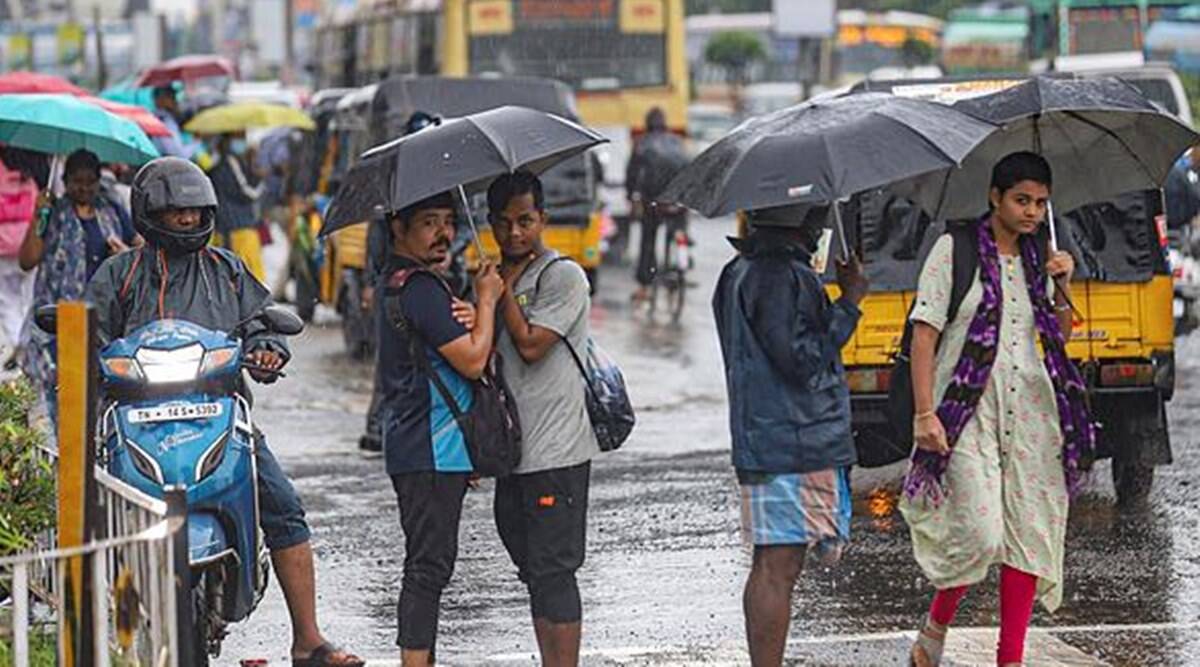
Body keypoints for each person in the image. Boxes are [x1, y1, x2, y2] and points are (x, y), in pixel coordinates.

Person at [84, 157, 363, 667]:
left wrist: (267, 349)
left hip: (216, 416)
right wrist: (81, 360)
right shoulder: (119, 275)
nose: (188, 221)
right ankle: (107, 641)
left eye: (195, 212)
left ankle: (308, 638)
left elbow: (261, 321)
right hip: (136, 423)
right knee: (91, 516)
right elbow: (88, 334)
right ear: (149, 214)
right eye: (176, 213)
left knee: (283, 506)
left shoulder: (227, 269)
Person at [900, 152, 1095, 667]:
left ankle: (1011, 659)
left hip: (1032, 410)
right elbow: (924, 334)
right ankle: (936, 625)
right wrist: (925, 413)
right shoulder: (954, 249)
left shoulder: (1041, 257)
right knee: (981, 534)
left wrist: (1062, 286)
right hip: (967, 415)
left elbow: (1057, 336)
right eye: (1022, 200)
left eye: (1040, 203)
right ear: (995, 197)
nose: (1032, 212)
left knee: (1028, 533)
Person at [711, 203, 868, 667]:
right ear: (805, 223)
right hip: (795, 440)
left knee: (771, 561)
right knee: (779, 565)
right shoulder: (783, 276)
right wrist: (849, 302)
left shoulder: (737, 271)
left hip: (765, 436)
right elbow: (801, 360)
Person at [376, 190, 503, 666]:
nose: (443, 233)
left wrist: (471, 309)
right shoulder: (421, 288)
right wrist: (487, 302)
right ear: (398, 227)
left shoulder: (402, 282)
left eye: (448, 221)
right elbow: (472, 360)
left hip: (421, 445)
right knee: (428, 567)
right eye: (429, 222)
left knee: (429, 564)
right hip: (431, 446)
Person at [489, 171, 598, 667]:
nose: (515, 233)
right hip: (513, 455)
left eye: (525, 221)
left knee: (555, 572)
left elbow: (532, 345)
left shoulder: (564, 276)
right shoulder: (489, 278)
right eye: (505, 222)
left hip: (556, 452)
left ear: (543, 220)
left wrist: (500, 294)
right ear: (490, 223)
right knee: (533, 570)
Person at [18, 149, 140, 417]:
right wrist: (38, 215)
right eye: (77, 181)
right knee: (59, 393)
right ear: (65, 180)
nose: (83, 188)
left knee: (100, 392)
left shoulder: (112, 210)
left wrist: (124, 255)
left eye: (90, 181)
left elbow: (139, 250)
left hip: (104, 322)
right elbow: (27, 261)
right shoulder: (53, 212)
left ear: (99, 180)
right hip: (60, 321)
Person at [625, 106, 690, 303]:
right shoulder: (677, 142)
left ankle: (645, 284)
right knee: (678, 232)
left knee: (648, 241)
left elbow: (632, 174)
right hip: (678, 200)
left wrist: (631, 195)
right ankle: (679, 263)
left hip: (653, 201)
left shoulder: (642, 143)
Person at [208, 132, 267, 282]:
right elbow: (246, 192)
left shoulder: (223, 162)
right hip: (237, 226)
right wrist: (260, 179)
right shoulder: (230, 163)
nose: (242, 140)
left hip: (228, 226)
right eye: (239, 136)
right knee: (245, 274)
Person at [0, 150, 39, 367]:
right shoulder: (27, 174)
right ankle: (25, 341)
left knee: (6, 300)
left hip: (3, 247)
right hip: (26, 244)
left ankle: (17, 341)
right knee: (27, 297)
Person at [150, 85, 199, 160]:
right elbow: (178, 154)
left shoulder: (164, 118)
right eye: (170, 97)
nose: (175, 100)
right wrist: (196, 142)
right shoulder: (163, 122)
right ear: (160, 100)